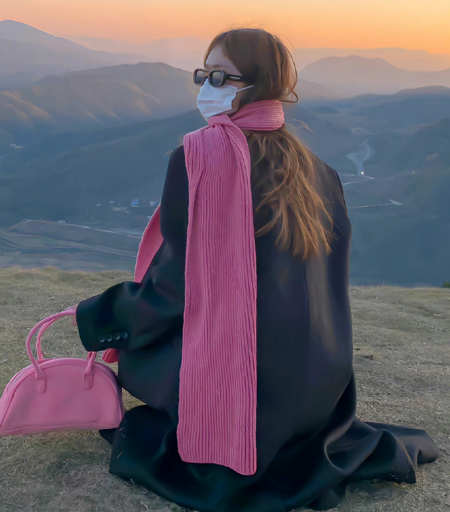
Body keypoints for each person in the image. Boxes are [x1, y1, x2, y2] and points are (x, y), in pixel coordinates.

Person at [73, 27, 440, 512]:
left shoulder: (197, 160)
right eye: (203, 75)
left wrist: (100, 316)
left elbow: (176, 289)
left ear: (259, 83)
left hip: (252, 394)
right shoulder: (319, 171)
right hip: (317, 391)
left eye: (220, 77)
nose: (206, 87)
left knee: (150, 368)